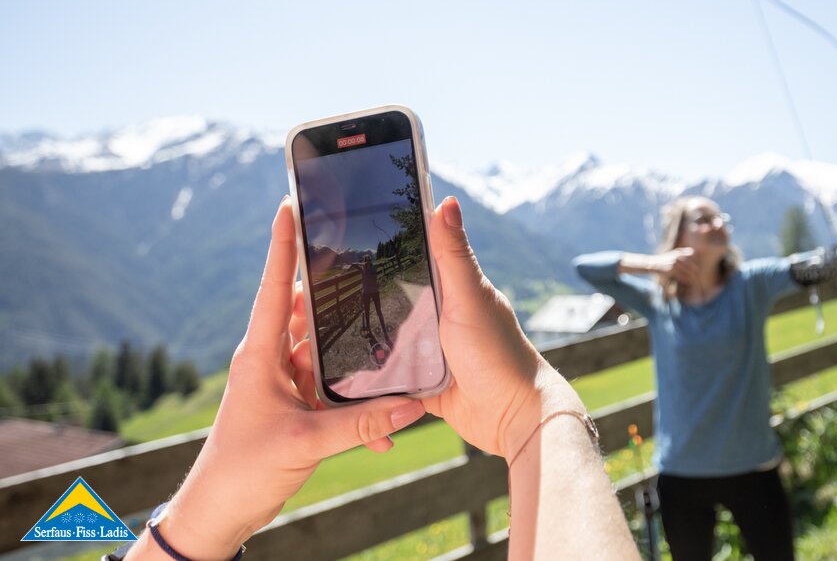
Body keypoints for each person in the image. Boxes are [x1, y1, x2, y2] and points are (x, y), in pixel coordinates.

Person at [115, 195, 639, 561]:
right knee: (367, 319)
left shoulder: (368, 266)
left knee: (367, 319)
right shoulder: (366, 265)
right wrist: (531, 410)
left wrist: (200, 523)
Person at [574, 190, 837, 561]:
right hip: (682, 473)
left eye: (721, 218)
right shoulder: (659, 302)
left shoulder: (751, 285)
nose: (718, 224)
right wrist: (652, 265)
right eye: (703, 219)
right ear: (678, 237)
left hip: (753, 468)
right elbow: (585, 267)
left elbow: (828, 261)